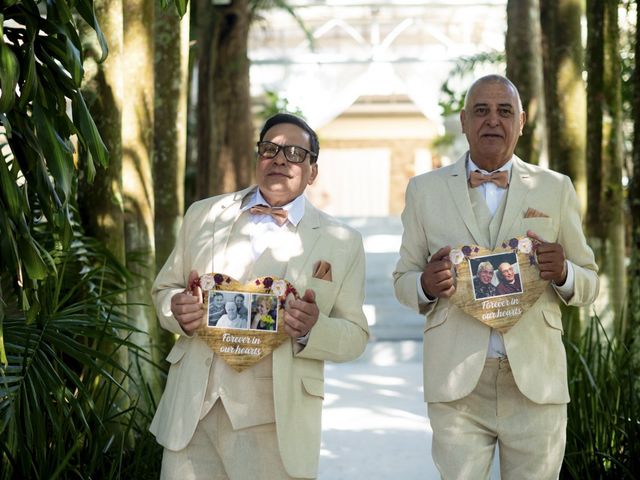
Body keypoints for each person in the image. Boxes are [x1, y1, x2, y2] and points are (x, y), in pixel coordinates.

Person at [393, 74, 599, 479]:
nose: (493, 120)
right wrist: (425, 285)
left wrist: (565, 274)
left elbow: (589, 281)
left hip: (535, 382)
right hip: (457, 384)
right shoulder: (424, 191)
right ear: (464, 120)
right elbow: (403, 279)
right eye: (481, 111)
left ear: (521, 122)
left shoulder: (555, 188)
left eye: (504, 111)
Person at [150, 112, 369, 479]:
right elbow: (165, 290)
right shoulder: (203, 215)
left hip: (275, 422)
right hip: (192, 412)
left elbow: (356, 335)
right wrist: (175, 309)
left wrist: (312, 329)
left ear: (312, 172)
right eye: (270, 149)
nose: (280, 159)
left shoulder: (341, 241)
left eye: (295, 154)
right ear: (258, 158)